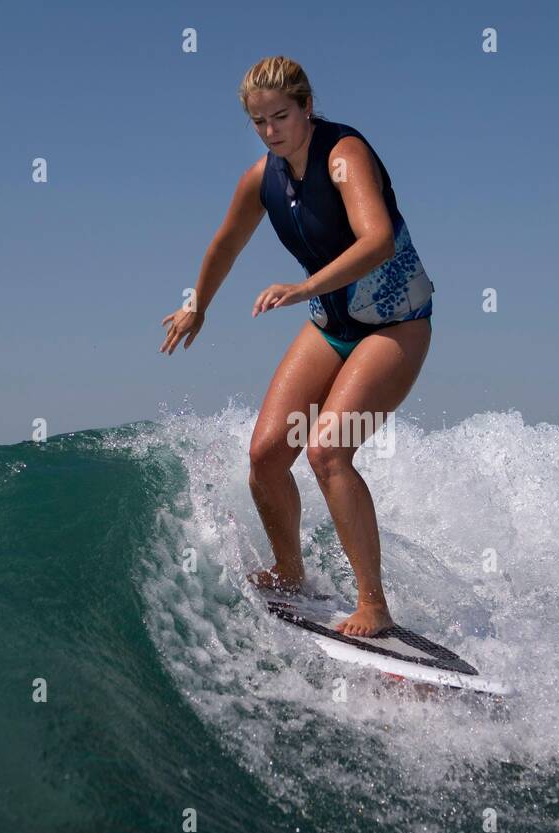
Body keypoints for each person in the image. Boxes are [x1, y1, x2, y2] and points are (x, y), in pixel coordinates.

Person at [159, 56, 434, 637]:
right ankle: (290, 571)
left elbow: (378, 240)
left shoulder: (343, 155)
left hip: (395, 325)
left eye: (281, 116)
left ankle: (373, 606)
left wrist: (304, 286)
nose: (270, 131)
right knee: (264, 456)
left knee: (328, 451)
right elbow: (226, 244)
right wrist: (197, 305)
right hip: (332, 324)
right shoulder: (262, 178)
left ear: (307, 107)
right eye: (258, 122)